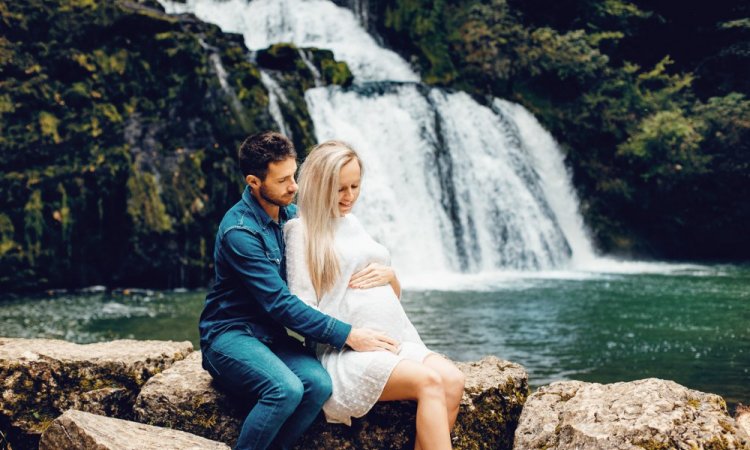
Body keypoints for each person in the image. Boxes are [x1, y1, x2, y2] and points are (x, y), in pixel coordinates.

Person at [199, 131, 399, 450]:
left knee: (319, 385)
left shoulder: (292, 215)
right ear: (253, 182)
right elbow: (281, 305)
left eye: (294, 175)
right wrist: (348, 334)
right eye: (283, 180)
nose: (294, 186)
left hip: (272, 337)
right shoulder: (240, 232)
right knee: (285, 389)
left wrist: (386, 271)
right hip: (230, 336)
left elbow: (341, 256)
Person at [284, 140, 466, 450]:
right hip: (346, 352)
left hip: (395, 342)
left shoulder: (353, 223)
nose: (349, 196)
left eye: (355, 185)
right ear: (318, 184)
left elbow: (389, 295)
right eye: (340, 188)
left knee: (453, 380)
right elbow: (301, 309)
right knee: (430, 383)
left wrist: (392, 276)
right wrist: (352, 336)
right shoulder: (301, 232)